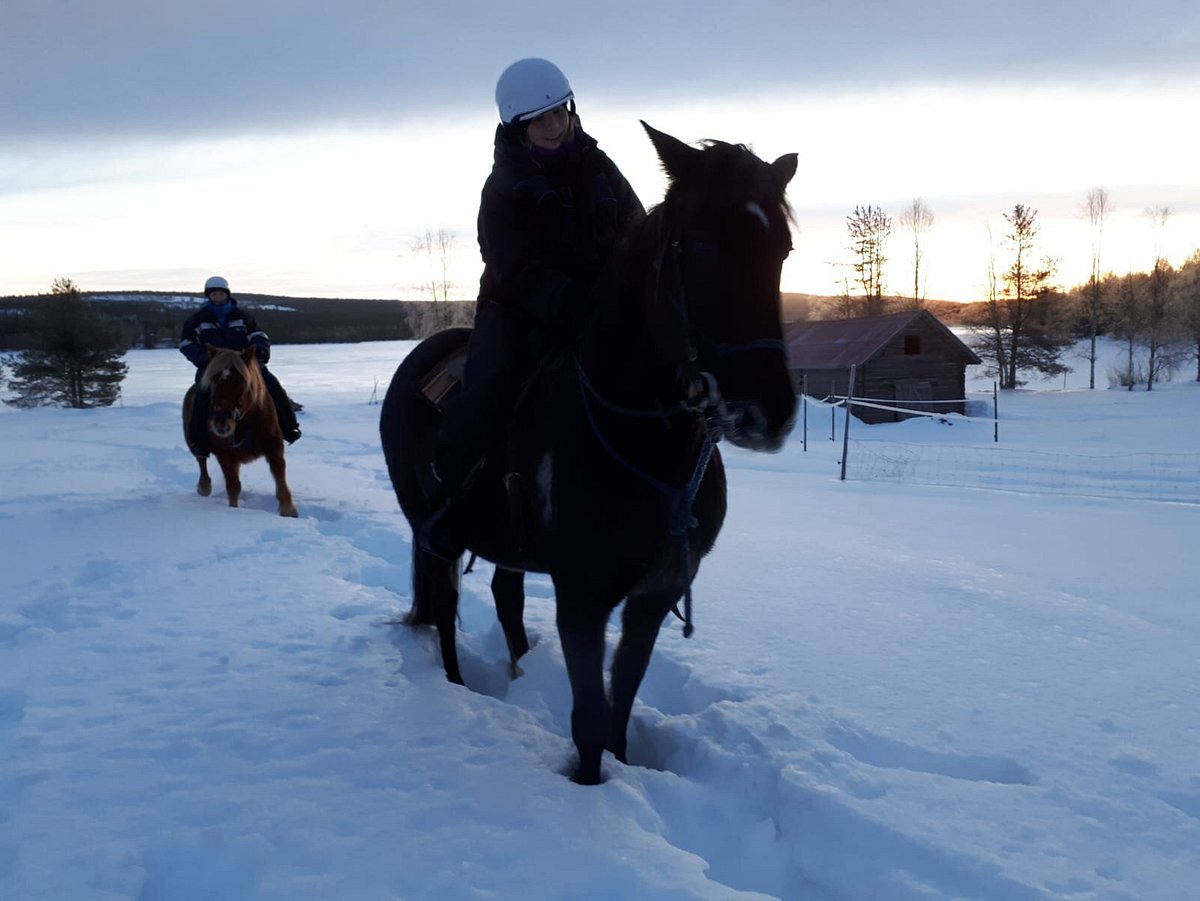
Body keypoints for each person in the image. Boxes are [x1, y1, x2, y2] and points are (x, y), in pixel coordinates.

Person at [419, 57, 645, 559]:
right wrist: (566, 301)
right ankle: (451, 502)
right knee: (487, 390)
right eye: (540, 118)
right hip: (518, 307)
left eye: (560, 111)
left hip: (599, 305)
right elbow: (513, 267)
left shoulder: (601, 167)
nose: (555, 124)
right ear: (517, 127)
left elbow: (637, 229)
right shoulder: (501, 188)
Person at [180, 275, 302, 454]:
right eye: (213, 294)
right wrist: (204, 357)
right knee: (201, 395)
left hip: (243, 364)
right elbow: (186, 344)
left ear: (227, 295)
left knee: (273, 386)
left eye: (220, 294)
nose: (217, 297)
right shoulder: (197, 320)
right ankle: (200, 441)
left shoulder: (242, 316)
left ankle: (288, 427)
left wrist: (260, 350)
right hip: (213, 365)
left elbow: (259, 335)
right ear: (208, 296)